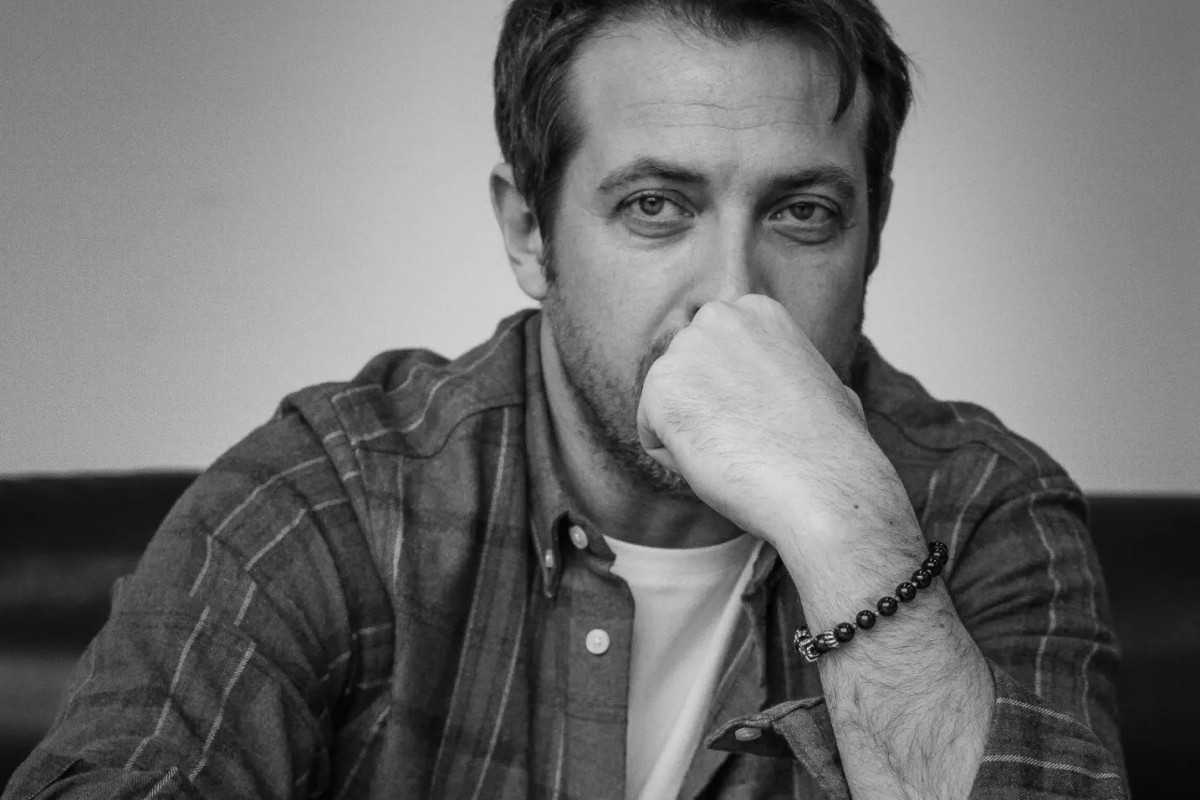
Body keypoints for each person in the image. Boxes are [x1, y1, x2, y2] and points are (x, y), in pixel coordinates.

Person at [5, 1, 1127, 798]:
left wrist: (852, 529)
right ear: (528, 233)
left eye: (803, 214)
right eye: (655, 206)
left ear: (873, 233)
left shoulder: (986, 507)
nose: (734, 296)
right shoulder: (332, 495)